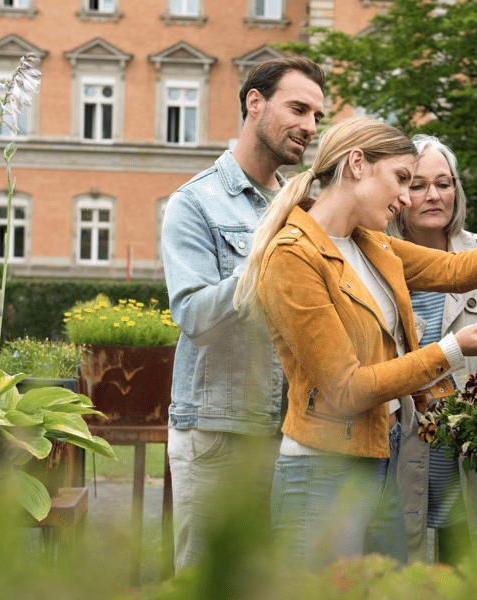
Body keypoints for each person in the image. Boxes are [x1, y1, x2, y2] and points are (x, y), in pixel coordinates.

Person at [233, 116, 477, 571]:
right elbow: (346, 389)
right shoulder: (293, 256)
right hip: (323, 468)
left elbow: (455, 270)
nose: (407, 198)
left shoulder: (368, 244)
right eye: (402, 179)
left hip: (380, 452)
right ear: (356, 165)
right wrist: (450, 351)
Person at [160, 56, 325, 571]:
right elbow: (192, 315)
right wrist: (264, 261)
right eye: (298, 108)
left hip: (291, 432)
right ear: (255, 103)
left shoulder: (301, 209)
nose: (310, 127)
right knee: (209, 579)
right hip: (219, 433)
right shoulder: (195, 202)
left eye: (318, 116)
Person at [386, 134, 477, 564]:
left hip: (470, 453)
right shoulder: (375, 262)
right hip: (398, 451)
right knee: (398, 575)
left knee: (467, 568)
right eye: (416, 184)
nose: (433, 195)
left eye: (444, 183)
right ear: (398, 193)